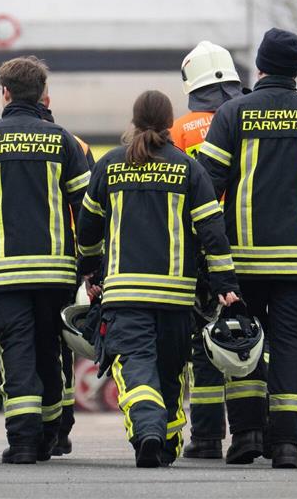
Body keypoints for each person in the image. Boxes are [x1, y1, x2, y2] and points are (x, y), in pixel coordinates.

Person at [197, 28, 297, 469]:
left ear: (261, 67)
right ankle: (287, 444)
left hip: (243, 259)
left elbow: (207, 186)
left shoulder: (232, 114)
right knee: (290, 344)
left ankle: (247, 433)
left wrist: (208, 253)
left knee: (243, 340)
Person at [76, 90, 241, 468]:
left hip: (125, 295)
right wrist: (225, 286)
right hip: (176, 300)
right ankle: (165, 445)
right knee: (169, 375)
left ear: (135, 121)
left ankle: (150, 432)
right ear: (170, 123)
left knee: (136, 367)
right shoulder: (189, 168)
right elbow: (212, 232)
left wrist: (88, 269)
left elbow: (88, 226)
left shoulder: (110, 165)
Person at [0, 56, 91, 464]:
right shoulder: (63, 141)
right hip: (56, 272)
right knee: (47, 349)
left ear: (4, 93)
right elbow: (90, 206)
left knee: (17, 351)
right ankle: (47, 436)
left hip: (2, 273)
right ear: (42, 95)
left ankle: (23, 442)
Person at [169, 41, 246, 461]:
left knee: (205, 343)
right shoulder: (249, 118)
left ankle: (207, 436)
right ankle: (254, 428)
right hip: (249, 242)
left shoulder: (181, 130)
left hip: (199, 248)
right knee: (249, 338)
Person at [37, 93, 96, 457]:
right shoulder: (75, 144)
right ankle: (61, 426)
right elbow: (87, 208)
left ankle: (40, 424)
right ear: (46, 99)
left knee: (24, 342)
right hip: (64, 259)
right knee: (62, 341)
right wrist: (90, 265)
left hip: (9, 264)